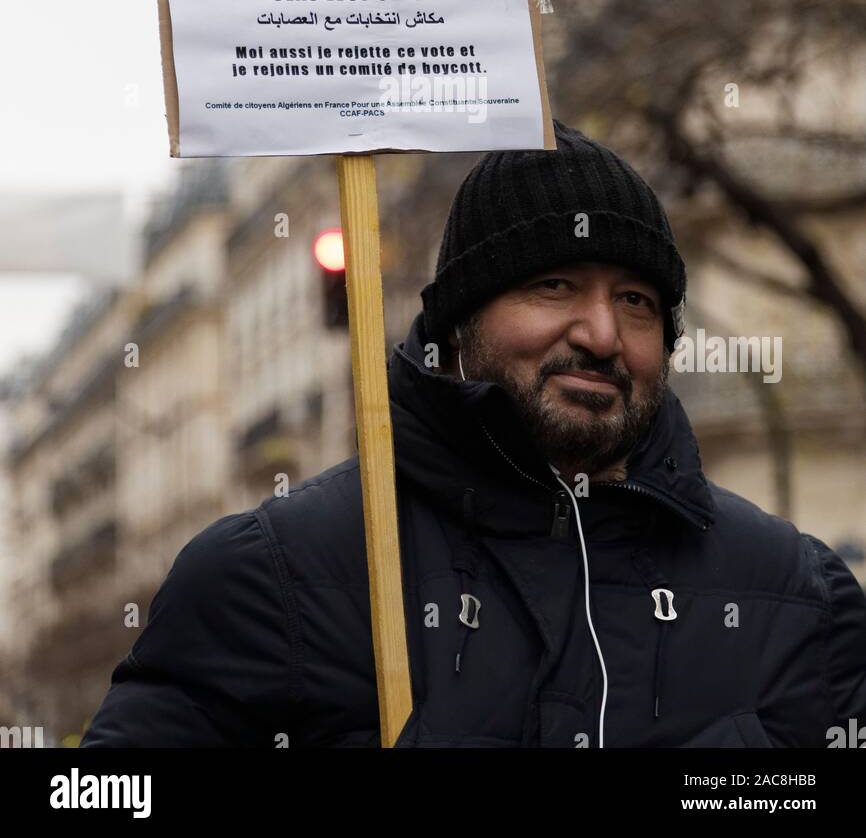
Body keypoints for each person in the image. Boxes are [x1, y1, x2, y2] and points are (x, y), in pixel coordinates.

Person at [81, 120, 866, 748]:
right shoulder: (271, 580)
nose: (600, 331)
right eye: (552, 284)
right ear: (460, 324)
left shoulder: (801, 598)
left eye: (635, 300)